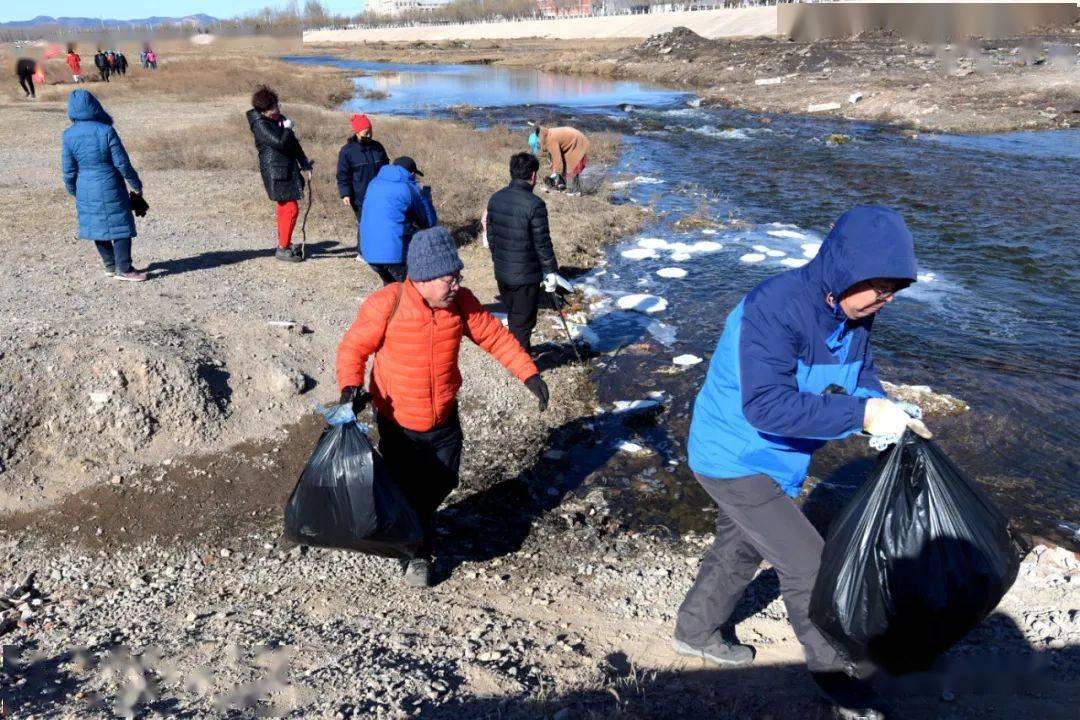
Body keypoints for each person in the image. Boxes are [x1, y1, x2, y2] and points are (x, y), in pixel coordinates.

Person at [674, 206, 930, 720]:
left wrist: (884, 406)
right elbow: (764, 405)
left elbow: (860, 372)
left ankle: (694, 632)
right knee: (809, 565)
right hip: (733, 454)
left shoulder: (854, 312)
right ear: (845, 271)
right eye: (879, 288)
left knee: (741, 547)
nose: (887, 300)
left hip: (779, 458)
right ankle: (837, 677)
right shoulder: (773, 308)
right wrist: (861, 415)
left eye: (894, 290)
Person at [336, 227, 549, 587]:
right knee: (407, 489)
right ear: (423, 277)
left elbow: (494, 336)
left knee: (444, 479)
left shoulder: (461, 303)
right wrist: (349, 388)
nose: (456, 283)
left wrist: (529, 374)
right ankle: (416, 553)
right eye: (450, 277)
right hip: (398, 420)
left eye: (458, 276)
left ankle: (411, 523)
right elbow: (352, 349)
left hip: (443, 417)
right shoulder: (387, 304)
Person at [62, 90, 147, 282]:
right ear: (94, 106)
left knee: (96, 226)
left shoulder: (68, 135)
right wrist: (135, 184)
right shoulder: (106, 130)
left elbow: (68, 169)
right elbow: (122, 163)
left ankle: (110, 265)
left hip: (85, 185)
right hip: (111, 184)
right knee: (121, 226)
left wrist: (73, 190)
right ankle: (124, 268)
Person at [485, 152, 559, 353]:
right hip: (525, 277)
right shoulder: (535, 204)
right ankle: (521, 365)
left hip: (502, 272)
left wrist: (499, 259)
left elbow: (491, 236)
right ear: (533, 175)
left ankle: (517, 355)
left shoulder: (495, 199)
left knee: (514, 315)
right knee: (523, 322)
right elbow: (542, 242)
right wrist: (551, 271)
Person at [245, 86, 313, 263]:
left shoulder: (277, 120)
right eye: (274, 108)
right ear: (263, 111)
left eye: (277, 106)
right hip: (275, 171)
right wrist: (288, 129)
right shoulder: (260, 125)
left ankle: (285, 243)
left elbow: (292, 143)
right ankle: (283, 248)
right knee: (290, 209)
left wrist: (303, 161)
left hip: (286, 168)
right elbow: (281, 143)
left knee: (284, 209)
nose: (278, 110)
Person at [360, 156, 436, 284]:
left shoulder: (374, 183)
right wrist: (426, 197)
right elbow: (429, 222)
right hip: (394, 254)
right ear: (411, 173)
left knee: (392, 289)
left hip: (369, 252)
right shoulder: (410, 187)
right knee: (410, 290)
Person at [336, 113, 389, 256]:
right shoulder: (347, 151)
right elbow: (342, 175)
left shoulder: (378, 147)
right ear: (357, 131)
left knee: (379, 222)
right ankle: (362, 253)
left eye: (371, 130)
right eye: (366, 131)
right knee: (366, 224)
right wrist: (345, 193)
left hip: (379, 194)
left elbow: (386, 168)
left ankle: (378, 250)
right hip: (359, 195)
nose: (370, 134)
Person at [534, 125, 589, 194]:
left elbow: (557, 158)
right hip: (575, 138)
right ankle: (570, 186)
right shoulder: (548, 133)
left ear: (541, 136)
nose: (539, 140)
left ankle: (573, 190)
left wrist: (555, 173)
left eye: (539, 138)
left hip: (577, 141)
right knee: (563, 165)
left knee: (572, 166)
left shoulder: (551, 140)